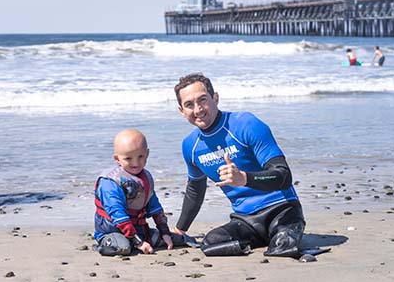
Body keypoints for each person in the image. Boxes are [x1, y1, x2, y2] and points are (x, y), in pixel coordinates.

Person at [171, 73, 305, 257]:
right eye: (189, 105)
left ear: (215, 98)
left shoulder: (245, 124)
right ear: (181, 110)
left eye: (202, 100)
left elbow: (283, 176)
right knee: (211, 242)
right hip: (246, 219)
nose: (198, 109)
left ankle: (281, 239)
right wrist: (180, 230)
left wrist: (244, 178)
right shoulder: (190, 146)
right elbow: (195, 190)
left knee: (282, 246)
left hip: (282, 210)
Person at [93, 129, 185, 256]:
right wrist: (139, 243)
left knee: (177, 240)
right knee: (123, 247)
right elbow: (117, 214)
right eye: (128, 158)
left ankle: (142, 240)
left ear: (147, 154)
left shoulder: (146, 177)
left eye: (140, 156)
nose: (135, 163)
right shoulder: (110, 181)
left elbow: (155, 206)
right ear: (117, 158)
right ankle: (104, 243)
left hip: (139, 229)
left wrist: (164, 231)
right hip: (113, 230)